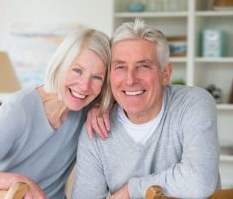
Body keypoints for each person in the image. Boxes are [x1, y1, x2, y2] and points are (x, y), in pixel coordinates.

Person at [0, 28, 111, 199]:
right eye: (77, 71)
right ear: (60, 65)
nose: (85, 86)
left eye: (97, 77)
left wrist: (101, 106)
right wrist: (15, 180)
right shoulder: (19, 110)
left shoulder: (87, 110)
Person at [72, 19, 220, 199]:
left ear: (166, 74)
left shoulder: (192, 104)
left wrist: (131, 190)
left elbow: (199, 182)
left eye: (143, 66)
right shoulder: (96, 129)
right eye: (120, 67)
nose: (130, 80)